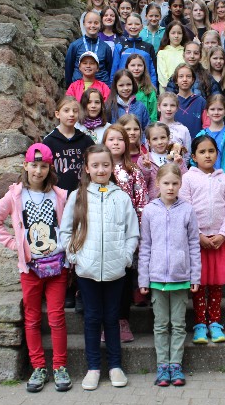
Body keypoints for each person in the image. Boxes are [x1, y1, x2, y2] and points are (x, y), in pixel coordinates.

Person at [0, 143, 71, 393]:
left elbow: (68, 227)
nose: (38, 171)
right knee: (32, 318)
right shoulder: (15, 195)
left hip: (57, 267)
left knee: (56, 317)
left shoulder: (60, 196)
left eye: (43, 166)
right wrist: (16, 245)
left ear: (49, 168)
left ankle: (60, 366)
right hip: (30, 269)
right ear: (25, 165)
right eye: (34, 165)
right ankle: (38, 367)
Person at [59, 145, 140, 391]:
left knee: (112, 318)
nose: (101, 169)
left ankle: (115, 366)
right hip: (87, 270)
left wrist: (125, 257)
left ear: (112, 167)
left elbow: (132, 233)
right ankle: (93, 368)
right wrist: (76, 257)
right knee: (92, 318)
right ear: (87, 168)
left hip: (116, 270)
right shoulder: (78, 196)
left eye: (105, 165)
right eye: (95, 165)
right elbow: (65, 232)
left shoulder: (121, 197)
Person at [138, 163, 201, 387]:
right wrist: (143, 279)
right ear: (157, 183)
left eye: (175, 183)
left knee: (178, 324)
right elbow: (145, 246)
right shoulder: (149, 211)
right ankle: (162, 365)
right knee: (161, 324)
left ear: (180, 184)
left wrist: (195, 276)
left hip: (180, 278)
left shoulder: (187, 210)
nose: (170, 187)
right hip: (157, 280)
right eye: (166, 183)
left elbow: (194, 245)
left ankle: (176, 364)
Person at [180, 135, 225, 345]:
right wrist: (198, 236)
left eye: (211, 151)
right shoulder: (188, 178)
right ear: (194, 156)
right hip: (198, 242)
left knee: (216, 285)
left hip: (219, 241)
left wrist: (223, 234)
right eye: (202, 152)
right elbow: (185, 208)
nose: (207, 155)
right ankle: (200, 324)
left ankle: (215, 322)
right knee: (198, 284)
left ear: (217, 154)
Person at [102, 125, 149, 343]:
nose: (115, 143)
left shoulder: (133, 171)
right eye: (111, 139)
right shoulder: (98, 170)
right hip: (103, 235)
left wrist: (138, 233)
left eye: (120, 139)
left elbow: (141, 203)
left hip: (126, 234)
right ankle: (107, 322)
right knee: (104, 281)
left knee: (123, 279)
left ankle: (122, 320)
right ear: (104, 143)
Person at [43, 96, 95, 194]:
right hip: (56, 195)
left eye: (75, 111)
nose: (71, 114)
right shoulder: (49, 141)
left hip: (83, 194)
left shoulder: (86, 141)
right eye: (66, 111)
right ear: (57, 114)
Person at [196, 94, 225, 184]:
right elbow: (194, 162)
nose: (216, 112)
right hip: (204, 184)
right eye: (212, 109)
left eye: (220, 109)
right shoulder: (200, 135)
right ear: (207, 112)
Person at [138, 121, 188, 200]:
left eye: (163, 137)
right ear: (149, 142)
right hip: (154, 202)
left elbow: (185, 181)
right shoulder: (143, 160)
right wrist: (146, 169)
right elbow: (142, 185)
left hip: (174, 201)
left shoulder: (176, 157)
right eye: (155, 139)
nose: (160, 142)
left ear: (168, 138)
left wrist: (178, 165)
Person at [65, 11, 113, 87]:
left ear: (100, 25)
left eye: (96, 23)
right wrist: (71, 87)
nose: (92, 25)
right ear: (84, 24)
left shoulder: (106, 47)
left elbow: (109, 69)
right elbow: (68, 68)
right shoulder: (75, 45)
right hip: (79, 87)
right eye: (89, 22)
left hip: (101, 86)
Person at [111, 13, 158, 89]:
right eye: (130, 24)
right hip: (124, 88)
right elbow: (114, 70)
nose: (133, 27)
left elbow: (153, 72)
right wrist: (112, 89)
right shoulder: (119, 46)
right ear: (125, 27)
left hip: (144, 88)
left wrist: (154, 89)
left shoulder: (148, 47)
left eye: (137, 24)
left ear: (142, 27)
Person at [205, 46, 225, 127]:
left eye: (221, 58)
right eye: (215, 58)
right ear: (209, 59)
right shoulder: (204, 79)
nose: (218, 61)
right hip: (210, 120)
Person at [172, 63, 207, 140]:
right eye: (181, 76)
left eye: (188, 76)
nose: (185, 79)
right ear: (176, 80)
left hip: (197, 144)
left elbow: (207, 126)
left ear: (193, 80)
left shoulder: (201, 102)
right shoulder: (171, 102)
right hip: (176, 144)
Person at [157, 92, 192, 163]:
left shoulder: (183, 130)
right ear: (159, 107)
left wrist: (180, 166)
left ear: (177, 108)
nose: (169, 109)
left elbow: (187, 154)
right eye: (165, 105)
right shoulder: (153, 128)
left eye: (172, 105)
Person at [157, 22, 189, 94]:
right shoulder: (162, 53)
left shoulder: (186, 52)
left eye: (179, 33)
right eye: (173, 33)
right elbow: (162, 76)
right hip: (166, 91)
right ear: (168, 35)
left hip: (184, 90)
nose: (176, 36)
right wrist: (171, 87)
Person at [127, 53, 158, 122]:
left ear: (144, 67)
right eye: (133, 65)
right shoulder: (123, 89)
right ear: (127, 67)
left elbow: (153, 115)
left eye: (140, 65)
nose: (136, 68)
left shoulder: (149, 90)